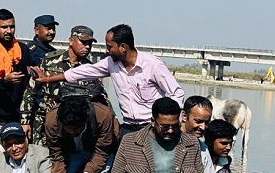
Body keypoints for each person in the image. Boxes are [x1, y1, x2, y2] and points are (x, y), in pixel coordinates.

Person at [33, 24, 184, 136]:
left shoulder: (152, 65)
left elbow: (176, 93)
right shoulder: (111, 64)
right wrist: (49, 79)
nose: (106, 51)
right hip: (129, 127)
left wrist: (170, 123)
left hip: (151, 127)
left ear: (123, 47)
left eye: (109, 46)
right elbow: (82, 72)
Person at [20, 25, 102, 144]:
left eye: (90, 43)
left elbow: (102, 97)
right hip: (44, 124)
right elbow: (30, 92)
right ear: (71, 41)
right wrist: (25, 121)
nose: (87, 47)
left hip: (73, 129)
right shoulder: (49, 61)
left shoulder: (89, 69)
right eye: (83, 42)